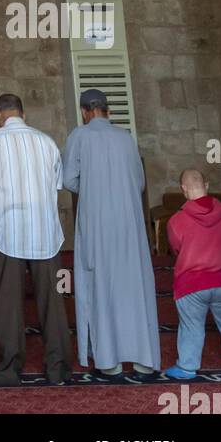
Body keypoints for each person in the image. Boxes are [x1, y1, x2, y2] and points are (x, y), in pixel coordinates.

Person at [0, 93, 71, 385]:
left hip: (8, 234)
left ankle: (10, 369)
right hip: (45, 234)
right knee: (53, 302)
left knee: (8, 303)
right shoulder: (47, 141)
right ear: (23, 113)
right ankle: (58, 368)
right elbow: (57, 183)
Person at [62, 88, 160, 379]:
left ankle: (109, 362)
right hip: (129, 224)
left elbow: (68, 179)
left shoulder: (79, 136)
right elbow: (139, 183)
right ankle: (144, 361)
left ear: (84, 111)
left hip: (97, 224)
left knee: (99, 287)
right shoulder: (126, 137)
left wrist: (93, 189)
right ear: (108, 110)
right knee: (135, 288)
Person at [163, 168, 221, 382]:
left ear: (183, 190)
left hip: (191, 283)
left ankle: (187, 367)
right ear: (206, 185)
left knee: (191, 326)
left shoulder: (175, 221)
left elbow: (176, 249)